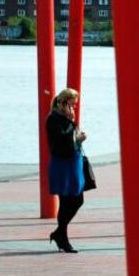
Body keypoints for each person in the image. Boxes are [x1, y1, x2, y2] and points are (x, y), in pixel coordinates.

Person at [46, 88, 87, 253]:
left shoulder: (66, 118)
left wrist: (79, 136)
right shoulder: (53, 119)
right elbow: (61, 139)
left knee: (78, 200)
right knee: (65, 202)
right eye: (72, 104)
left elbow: (71, 138)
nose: (74, 108)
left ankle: (59, 233)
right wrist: (71, 122)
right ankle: (62, 236)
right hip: (62, 164)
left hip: (73, 162)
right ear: (63, 102)